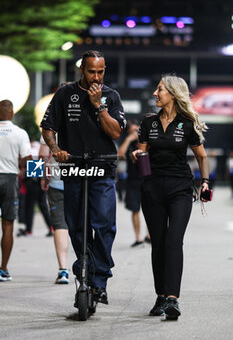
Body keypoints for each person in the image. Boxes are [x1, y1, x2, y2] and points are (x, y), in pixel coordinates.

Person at [41, 50, 126, 305]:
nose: (96, 77)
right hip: (74, 169)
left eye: (101, 72)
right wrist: (56, 150)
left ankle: (99, 280)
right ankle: (85, 269)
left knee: (103, 226)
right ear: (82, 70)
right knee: (76, 226)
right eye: (92, 72)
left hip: (102, 169)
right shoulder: (65, 93)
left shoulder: (111, 96)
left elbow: (114, 133)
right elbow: (48, 127)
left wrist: (99, 105)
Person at [132, 74, 210, 320]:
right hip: (152, 188)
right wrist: (136, 154)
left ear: (173, 95)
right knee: (159, 243)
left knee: (174, 240)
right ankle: (160, 296)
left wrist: (205, 182)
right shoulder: (148, 123)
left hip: (180, 189)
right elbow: (141, 153)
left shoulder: (187, 123)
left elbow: (202, 157)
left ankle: (172, 299)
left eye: (160, 90)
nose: (155, 93)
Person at [0, 100, 31, 281]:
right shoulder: (20, 133)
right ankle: (3, 269)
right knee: (8, 225)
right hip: (10, 179)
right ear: (12, 114)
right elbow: (27, 159)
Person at [39, 136, 70, 284]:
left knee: (60, 225)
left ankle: (63, 269)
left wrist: (41, 178)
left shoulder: (50, 126)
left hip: (56, 181)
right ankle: (86, 268)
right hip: (83, 180)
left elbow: (42, 155)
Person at [118, 120, 150, 247]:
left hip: (147, 178)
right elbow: (120, 154)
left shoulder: (146, 138)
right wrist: (129, 139)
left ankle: (149, 235)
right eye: (132, 131)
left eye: (136, 130)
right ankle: (138, 238)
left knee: (151, 208)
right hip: (133, 180)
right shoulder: (128, 142)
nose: (135, 133)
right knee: (134, 209)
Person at [17, 140, 53, 237]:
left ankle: (29, 229)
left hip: (34, 178)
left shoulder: (31, 150)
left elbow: (31, 162)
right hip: (40, 177)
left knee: (30, 205)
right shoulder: (37, 147)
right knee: (43, 205)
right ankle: (51, 227)